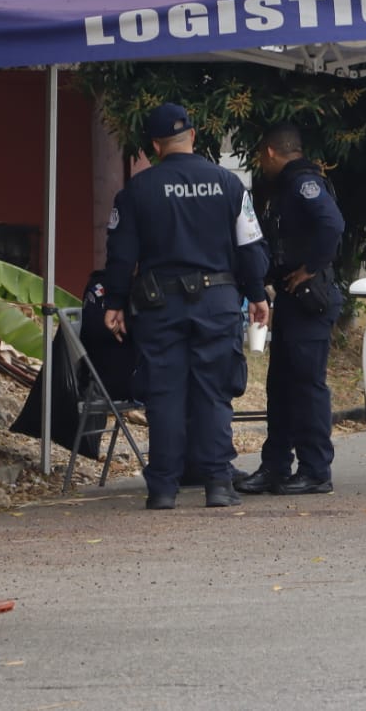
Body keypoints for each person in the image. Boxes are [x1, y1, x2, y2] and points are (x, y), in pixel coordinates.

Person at [103, 103, 270, 510]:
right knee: (214, 391)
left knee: (164, 393)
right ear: (193, 136)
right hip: (217, 301)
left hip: (160, 305)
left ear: (155, 145)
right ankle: (217, 483)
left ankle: (162, 488)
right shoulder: (228, 185)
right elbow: (250, 247)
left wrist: (114, 302)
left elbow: (121, 254)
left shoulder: (137, 191)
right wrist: (258, 294)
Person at [236, 123, 345, 496]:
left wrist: (310, 268)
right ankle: (276, 466)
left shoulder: (303, 184)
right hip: (290, 299)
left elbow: (332, 225)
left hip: (310, 299)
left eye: (259, 156)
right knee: (280, 386)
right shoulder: (283, 187)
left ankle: (315, 469)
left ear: (270, 152)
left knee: (306, 386)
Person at [9, 269, 140, 459]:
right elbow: (96, 331)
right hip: (110, 381)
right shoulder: (101, 287)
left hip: (128, 374)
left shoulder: (141, 284)